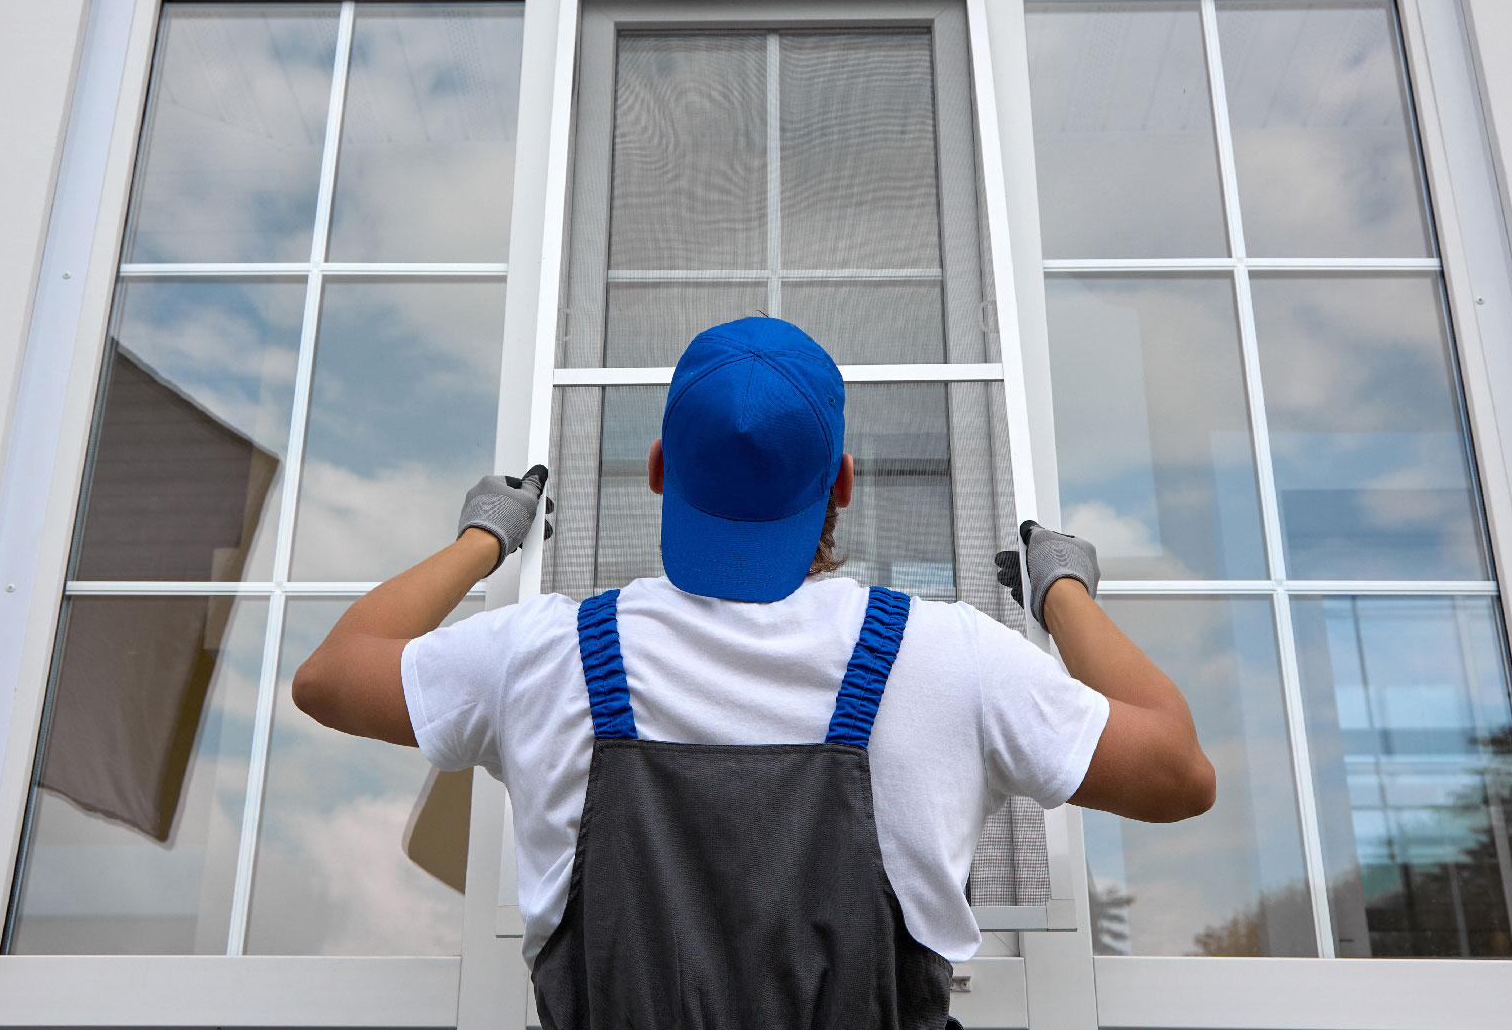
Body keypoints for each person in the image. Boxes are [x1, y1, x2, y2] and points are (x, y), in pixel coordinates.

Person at [292, 317, 1214, 1030]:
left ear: (658, 469)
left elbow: (331, 674)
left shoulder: (545, 654)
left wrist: (483, 541)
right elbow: (1179, 771)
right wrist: (1059, 595)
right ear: (842, 483)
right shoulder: (946, 657)